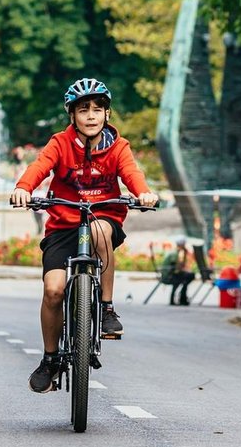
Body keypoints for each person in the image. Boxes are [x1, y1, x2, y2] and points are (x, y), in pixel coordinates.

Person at [11, 77, 158, 393]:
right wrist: (23, 188)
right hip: (63, 225)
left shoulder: (118, 147)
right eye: (83, 110)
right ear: (72, 115)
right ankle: (50, 359)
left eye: (97, 109)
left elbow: (132, 173)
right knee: (53, 290)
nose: (91, 116)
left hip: (103, 217)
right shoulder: (60, 143)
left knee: (99, 229)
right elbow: (39, 167)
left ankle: (106, 309)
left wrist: (144, 193)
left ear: (107, 114)